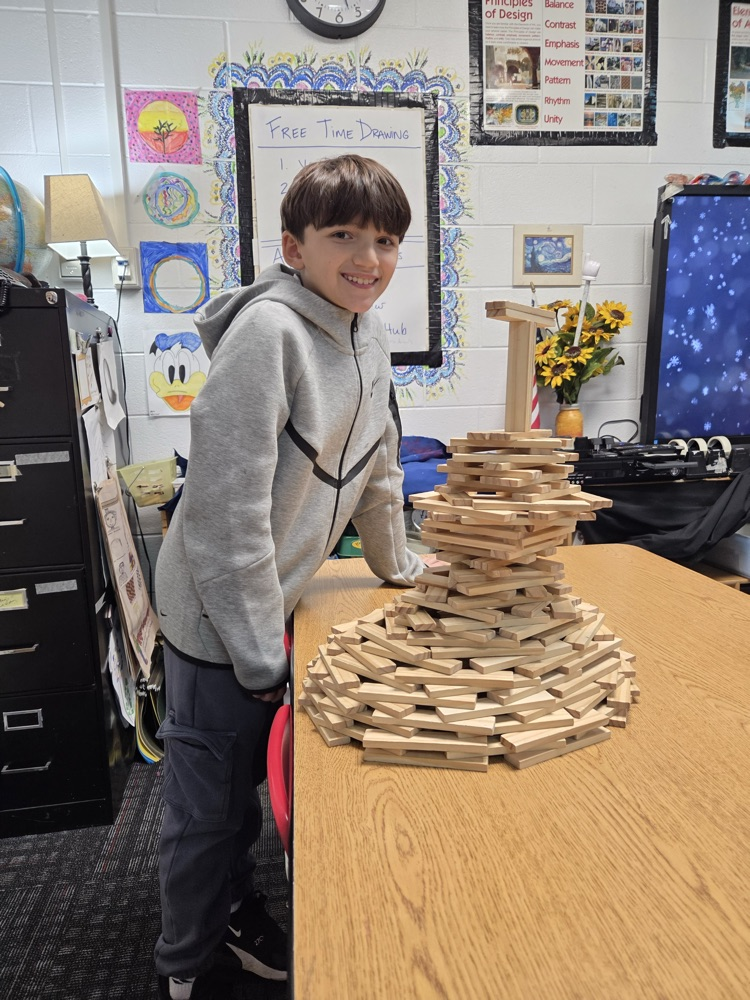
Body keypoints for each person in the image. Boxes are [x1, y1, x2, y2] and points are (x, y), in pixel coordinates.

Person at [153, 153, 425, 1000]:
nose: (368, 258)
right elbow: (222, 514)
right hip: (215, 617)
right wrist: (256, 652)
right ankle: (184, 968)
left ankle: (233, 912)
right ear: (294, 247)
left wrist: (399, 566)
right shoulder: (267, 336)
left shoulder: (368, 334)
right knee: (208, 811)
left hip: (273, 605)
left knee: (243, 792)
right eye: (343, 235)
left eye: (385, 241)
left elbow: (380, 468)